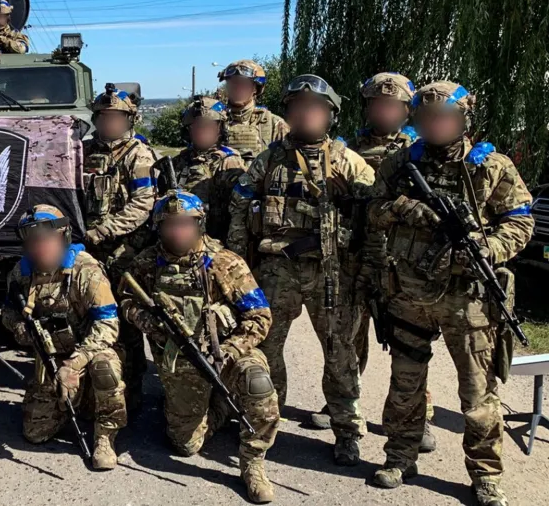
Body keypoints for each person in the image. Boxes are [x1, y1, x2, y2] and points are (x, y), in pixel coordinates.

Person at [367, 82, 533, 506]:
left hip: (469, 298)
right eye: (427, 119)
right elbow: (371, 209)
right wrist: (405, 208)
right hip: (409, 293)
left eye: (444, 118)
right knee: (405, 383)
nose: (436, 125)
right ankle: (400, 456)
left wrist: (487, 248)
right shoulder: (401, 163)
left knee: (478, 395)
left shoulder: (491, 167)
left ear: (462, 120)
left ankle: (485, 474)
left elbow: (520, 222)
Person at [227, 74, 374, 466]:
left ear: (330, 115)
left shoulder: (346, 160)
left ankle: (347, 431)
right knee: (266, 348)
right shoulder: (270, 158)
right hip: (278, 270)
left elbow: (374, 215)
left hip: (331, 272)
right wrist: (237, 265)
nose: (306, 114)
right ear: (288, 113)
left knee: (340, 353)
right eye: (298, 107)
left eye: (315, 108)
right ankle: (265, 422)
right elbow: (241, 206)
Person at [119, 190, 279, 503]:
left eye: (186, 224)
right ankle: (218, 407)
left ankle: (253, 462)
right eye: (171, 224)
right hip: (180, 360)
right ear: (160, 227)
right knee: (186, 445)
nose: (179, 231)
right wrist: (148, 321)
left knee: (258, 384)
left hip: (226, 354)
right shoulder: (148, 263)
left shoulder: (224, 262)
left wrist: (231, 350)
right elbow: (126, 299)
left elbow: (260, 316)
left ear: (199, 225)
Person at [308, 72, 438, 453]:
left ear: (405, 110)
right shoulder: (346, 149)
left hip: (400, 264)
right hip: (353, 257)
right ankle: (347, 406)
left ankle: (419, 414)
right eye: (378, 104)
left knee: (408, 343)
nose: (384, 111)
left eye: (393, 105)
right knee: (349, 336)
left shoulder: (419, 150)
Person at [0, 205, 126, 470]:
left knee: (106, 366)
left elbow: (108, 325)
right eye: (33, 241)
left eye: (47, 240)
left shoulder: (86, 270)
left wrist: (75, 364)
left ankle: (105, 435)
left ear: (63, 237)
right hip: (51, 358)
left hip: (88, 353)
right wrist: (19, 328)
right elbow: (8, 312)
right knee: (35, 433)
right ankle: (75, 403)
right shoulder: (20, 273)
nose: (40, 247)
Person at [82, 83, 158, 412]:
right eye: (104, 117)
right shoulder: (80, 151)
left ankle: (132, 388)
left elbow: (143, 204)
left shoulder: (138, 155)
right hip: (86, 249)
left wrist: (105, 230)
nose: (109, 123)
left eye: (116, 118)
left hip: (124, 252)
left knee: (126, 324)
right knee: (87, 317)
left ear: (129, 120)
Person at [172, 96, 247, 241]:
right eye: (196, 126)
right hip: (181, 238)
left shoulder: (229, 162)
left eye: (208, 126)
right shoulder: (179, 162)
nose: (201, 131)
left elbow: (239, 211)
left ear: (220, 129)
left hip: (216, 241)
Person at [217, 60, 289, 164]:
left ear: (256, 88)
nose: (237, 88)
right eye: (233, 83)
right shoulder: (215, 122)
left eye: (243, 84)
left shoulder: (274, 124)